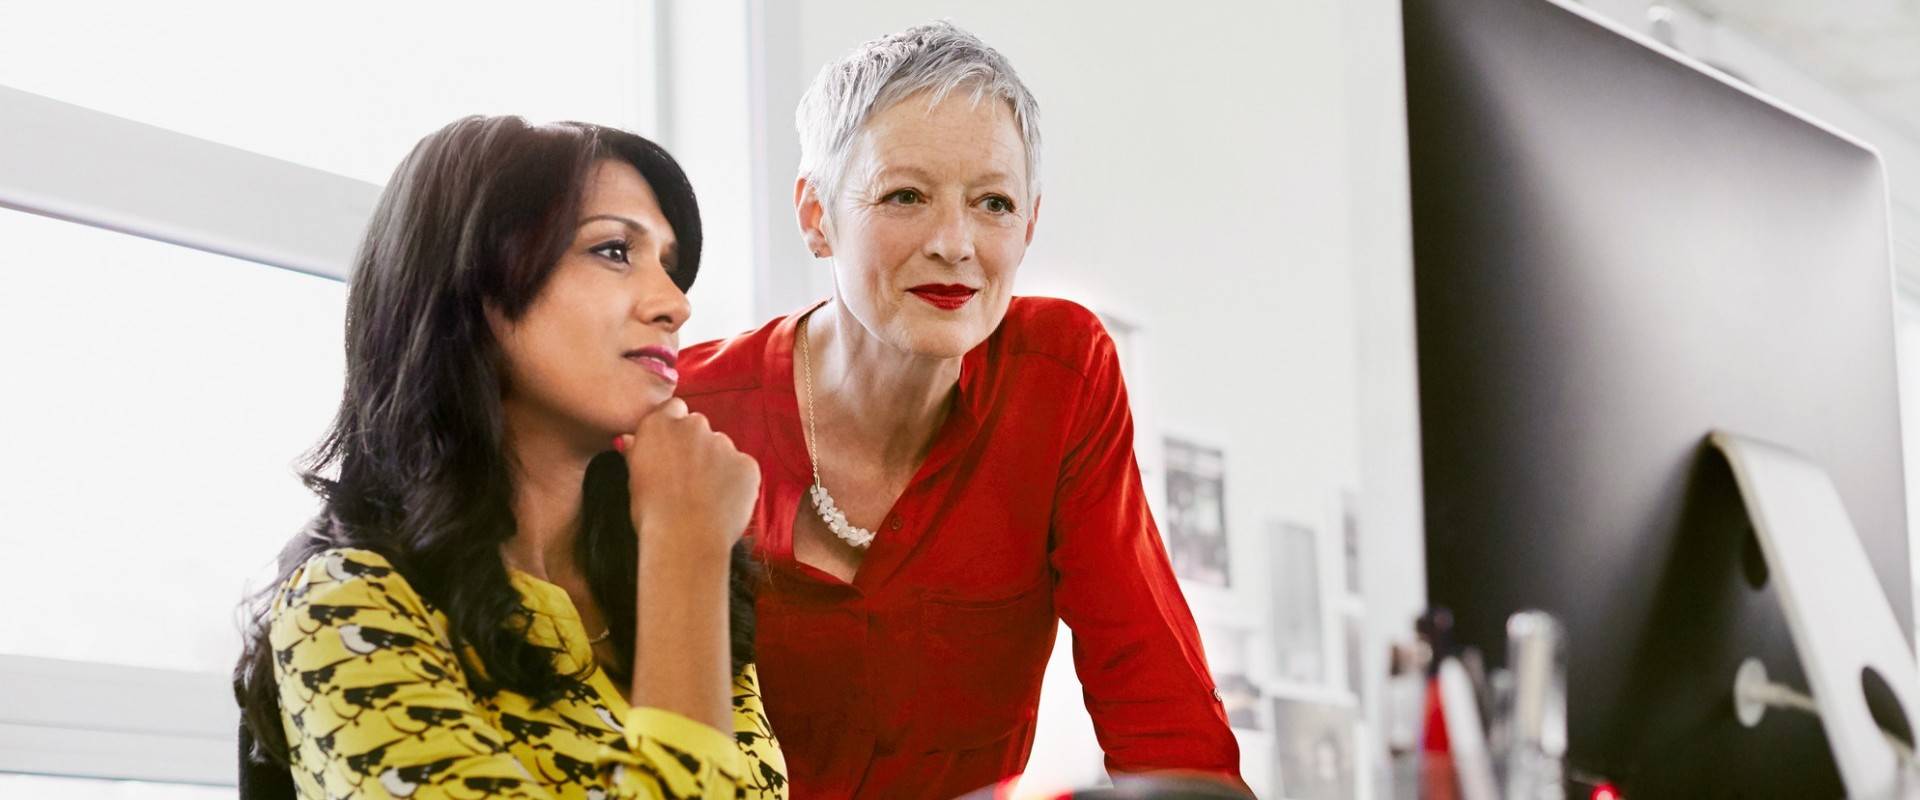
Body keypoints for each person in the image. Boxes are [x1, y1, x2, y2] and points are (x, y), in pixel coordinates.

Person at [675, 22, 1244, 798]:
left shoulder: (1062, 376)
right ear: (816, 215)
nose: (955, 242)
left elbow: (1157, 702)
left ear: (1029, 226)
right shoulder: (681, 415)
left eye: (993, 204)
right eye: (905, 195)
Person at [231, 115, 786, 799]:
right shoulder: (347, 606)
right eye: (614, 251)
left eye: (670, 266)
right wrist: (686, 554)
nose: (675, 304)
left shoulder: (662, 583)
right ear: (473, 283)